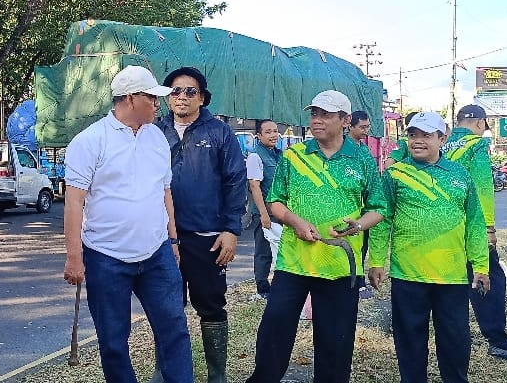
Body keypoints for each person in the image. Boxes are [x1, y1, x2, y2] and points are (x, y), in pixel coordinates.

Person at [245, 90, 387, 383]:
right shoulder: (294, 156)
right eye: (314, 114)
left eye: (326, 115)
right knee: (274, 331)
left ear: (345, 120)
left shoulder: (361, 158)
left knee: (335, 345)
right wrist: (295, 221)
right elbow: (275, 202)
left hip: (340, 266)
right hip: (293, 263)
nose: (317, 120)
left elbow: (378, 208)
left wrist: (358, 226)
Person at [63, 65, 193, 383]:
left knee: (174, 329)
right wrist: (74, 257)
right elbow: (74, 202)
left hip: (157, 253)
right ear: (131, 98)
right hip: (105, 256)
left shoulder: (157, 138)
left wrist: (173, 241)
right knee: (113, 342)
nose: (158, 104)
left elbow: (165, 192)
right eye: (152, 98)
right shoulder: (90, 141)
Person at [369, 111, 490, 382]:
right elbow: (381, 219)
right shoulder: (395, 174)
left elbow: (474, 222)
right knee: (409, 342)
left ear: (442, 138)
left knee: (455, 341)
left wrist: (481, 265)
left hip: (452, 276)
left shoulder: (460, 175)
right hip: (407, 274)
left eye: (426, 135)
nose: (418, 141)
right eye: (413, 135)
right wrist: (376, 261)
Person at [151, 66, 246, 383]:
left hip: (208, 237)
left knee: (211, 305)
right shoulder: (155, 131)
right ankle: (164, 370)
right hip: (163, 238)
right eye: (175, 91)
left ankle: (217, 374)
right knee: (166, 306)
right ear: (168, 98)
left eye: (190, 91)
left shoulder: (219, 132)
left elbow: (236, 181)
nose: (182, 97)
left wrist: (231, 230)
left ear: (202, 98)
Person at [442, 104, 507, 361]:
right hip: (471, 227)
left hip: (444, 227)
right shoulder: (477, 145)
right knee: (489, 277)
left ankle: (455, 337)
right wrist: (489, 228)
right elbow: (483, 188)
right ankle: (498, 341)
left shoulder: (442, 144)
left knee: (453, 284)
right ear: (481, 123)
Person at [246, 119, 281, 300]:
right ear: (259, 135)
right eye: (268, 132)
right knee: (263, 252)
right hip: (265, 212)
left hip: (280, 212)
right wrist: (263, 214)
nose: (273, 135)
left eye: (275, 131)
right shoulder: (255, 156)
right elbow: (254, 186)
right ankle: (262, 289)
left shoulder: (279, 154)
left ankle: (278, 285)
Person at [348, 110, 375, 299]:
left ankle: (359, 279)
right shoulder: (344, 148)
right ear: (350, 126)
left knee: (363, 245)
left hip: (365, 208)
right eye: (362, 127)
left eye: (368, 127)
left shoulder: (364, 149)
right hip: (350, 206)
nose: (366, 131)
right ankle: (355, 281)